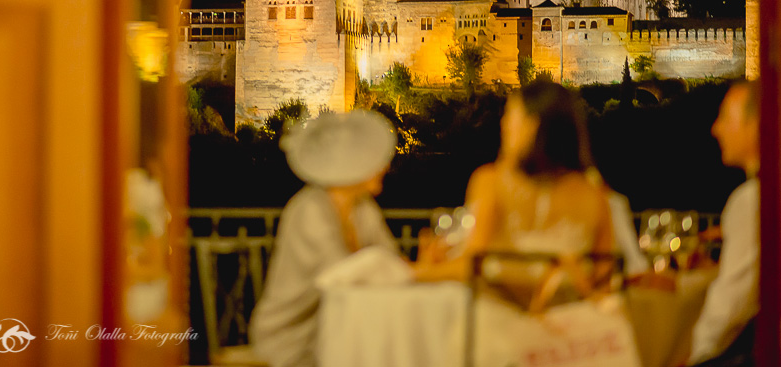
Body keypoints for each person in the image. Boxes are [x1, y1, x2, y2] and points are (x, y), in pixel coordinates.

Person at [413, 81, 614, 293]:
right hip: (575, 317)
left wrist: (413, 271)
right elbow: (605, 274)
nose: (504, 124)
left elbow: (472, 266)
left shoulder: (492, 182)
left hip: (502, 316)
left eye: (510, 114)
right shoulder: (596, 193)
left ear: (532, 125)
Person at [249, 109, 400, 367]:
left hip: (344, 329)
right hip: (294, 337)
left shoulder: (363, 210)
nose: (385, 167)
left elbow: (389, 260)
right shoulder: (309, 209)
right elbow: (339, 273)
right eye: (374, 160)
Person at [688, 80, 760, 366]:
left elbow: (729, 307)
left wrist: (694, 356)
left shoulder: (752, 200)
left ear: (755, 124)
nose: (715, 129)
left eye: (725, 117)